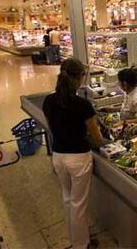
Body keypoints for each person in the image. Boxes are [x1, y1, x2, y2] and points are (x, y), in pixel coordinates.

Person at [42, 58, 104, 249]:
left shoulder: (48, 100)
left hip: (58, 156)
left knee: (68, 200)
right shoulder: (82, 104)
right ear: (79, 78)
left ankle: (76, 238)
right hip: (79, 159)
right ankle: (81, 245)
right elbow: (98, 139)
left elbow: (52, 127)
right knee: (79, 205)